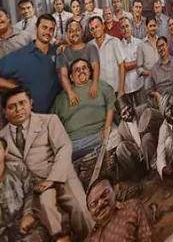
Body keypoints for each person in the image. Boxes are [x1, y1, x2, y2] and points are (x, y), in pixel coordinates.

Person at [0, 86, 93, 240]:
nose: (18, 109)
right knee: (46, 206)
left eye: (22, 103)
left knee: (80, 208)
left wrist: (52, 178)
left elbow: (64, 147)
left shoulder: (49, 121)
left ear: (31, 103)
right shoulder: (2, 137)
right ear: (4, 111)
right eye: (12, 107)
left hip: (61, 175)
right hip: (35, 186)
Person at [51, 58, 116, 160]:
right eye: (77, 70)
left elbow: (111, 102)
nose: (81, 71)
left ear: (89, 72)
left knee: (118, 133)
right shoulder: (62, 97)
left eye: (84, 68)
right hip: (75, 142)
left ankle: (94, 158)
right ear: (71, 77)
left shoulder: (100, 85)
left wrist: (107, 127)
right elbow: (52, 123)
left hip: (100, 135)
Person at [0, 15, 60, 113]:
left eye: (51, 29)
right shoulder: (20, 56)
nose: (47, 32)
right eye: (44, 27)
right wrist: (13, 87)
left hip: (57, 115)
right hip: (31, 117)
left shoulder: (58, 52)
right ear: (36, 28)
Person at [0, 137, 48, 241]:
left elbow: (30, 192)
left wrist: (28, 214)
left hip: (23, 224)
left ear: (5, 151)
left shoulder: (18, 169)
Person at [85, 178, 153, 242]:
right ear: (90, 212)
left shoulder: (132, 207)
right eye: (94, 204)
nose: (100, 204)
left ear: (114, 190)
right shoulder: (90, 239)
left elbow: (148, 238)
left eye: (104, 194)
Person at [56, 19, 100, 107]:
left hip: (90, 91)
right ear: (66, 34)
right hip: (72, 93)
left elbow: (96, 67)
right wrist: (70, 92)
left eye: (77, 30)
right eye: (71, 31)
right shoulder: (62, 52)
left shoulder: (91, 48)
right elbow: (63, 75)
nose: (74, 33)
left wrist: (95, 84)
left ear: (82, 31)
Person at [88, 17, 125, 96]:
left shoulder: (115, 42)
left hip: (115, 89)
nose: (95, 30)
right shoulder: (89, 46)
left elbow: (122, 66)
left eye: (97, 26)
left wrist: (121, 89)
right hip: (99, 92)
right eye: (92, 29)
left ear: (103, 26)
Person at [147, 37, 173, 111]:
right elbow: (149, 90)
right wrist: (156, 94)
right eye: (159, 47)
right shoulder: (154, 69)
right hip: (162, 101)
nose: (161, 48)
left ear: (167, 45)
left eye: (163, 45)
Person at [118, 17, 144, 108]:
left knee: (143, 111)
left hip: (139, 85)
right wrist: (139, 61)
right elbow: (123, 66)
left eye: (127, 26)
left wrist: (129, 65)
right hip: (126, 88)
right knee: (130, 114)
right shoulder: (118, 46)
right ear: (120, 30)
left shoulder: (140, 43)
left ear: (131, 27)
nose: (125, 29)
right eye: (122, 27)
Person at [136, 16, 159, 93]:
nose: (152, 28)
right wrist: (150, 73)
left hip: (162, 82)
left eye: (154, 26)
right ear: (146, 27)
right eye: (150, 26)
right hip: (148, 84)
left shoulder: (160, 42)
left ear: (157, 26)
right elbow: (139, 69)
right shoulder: (141, 45)